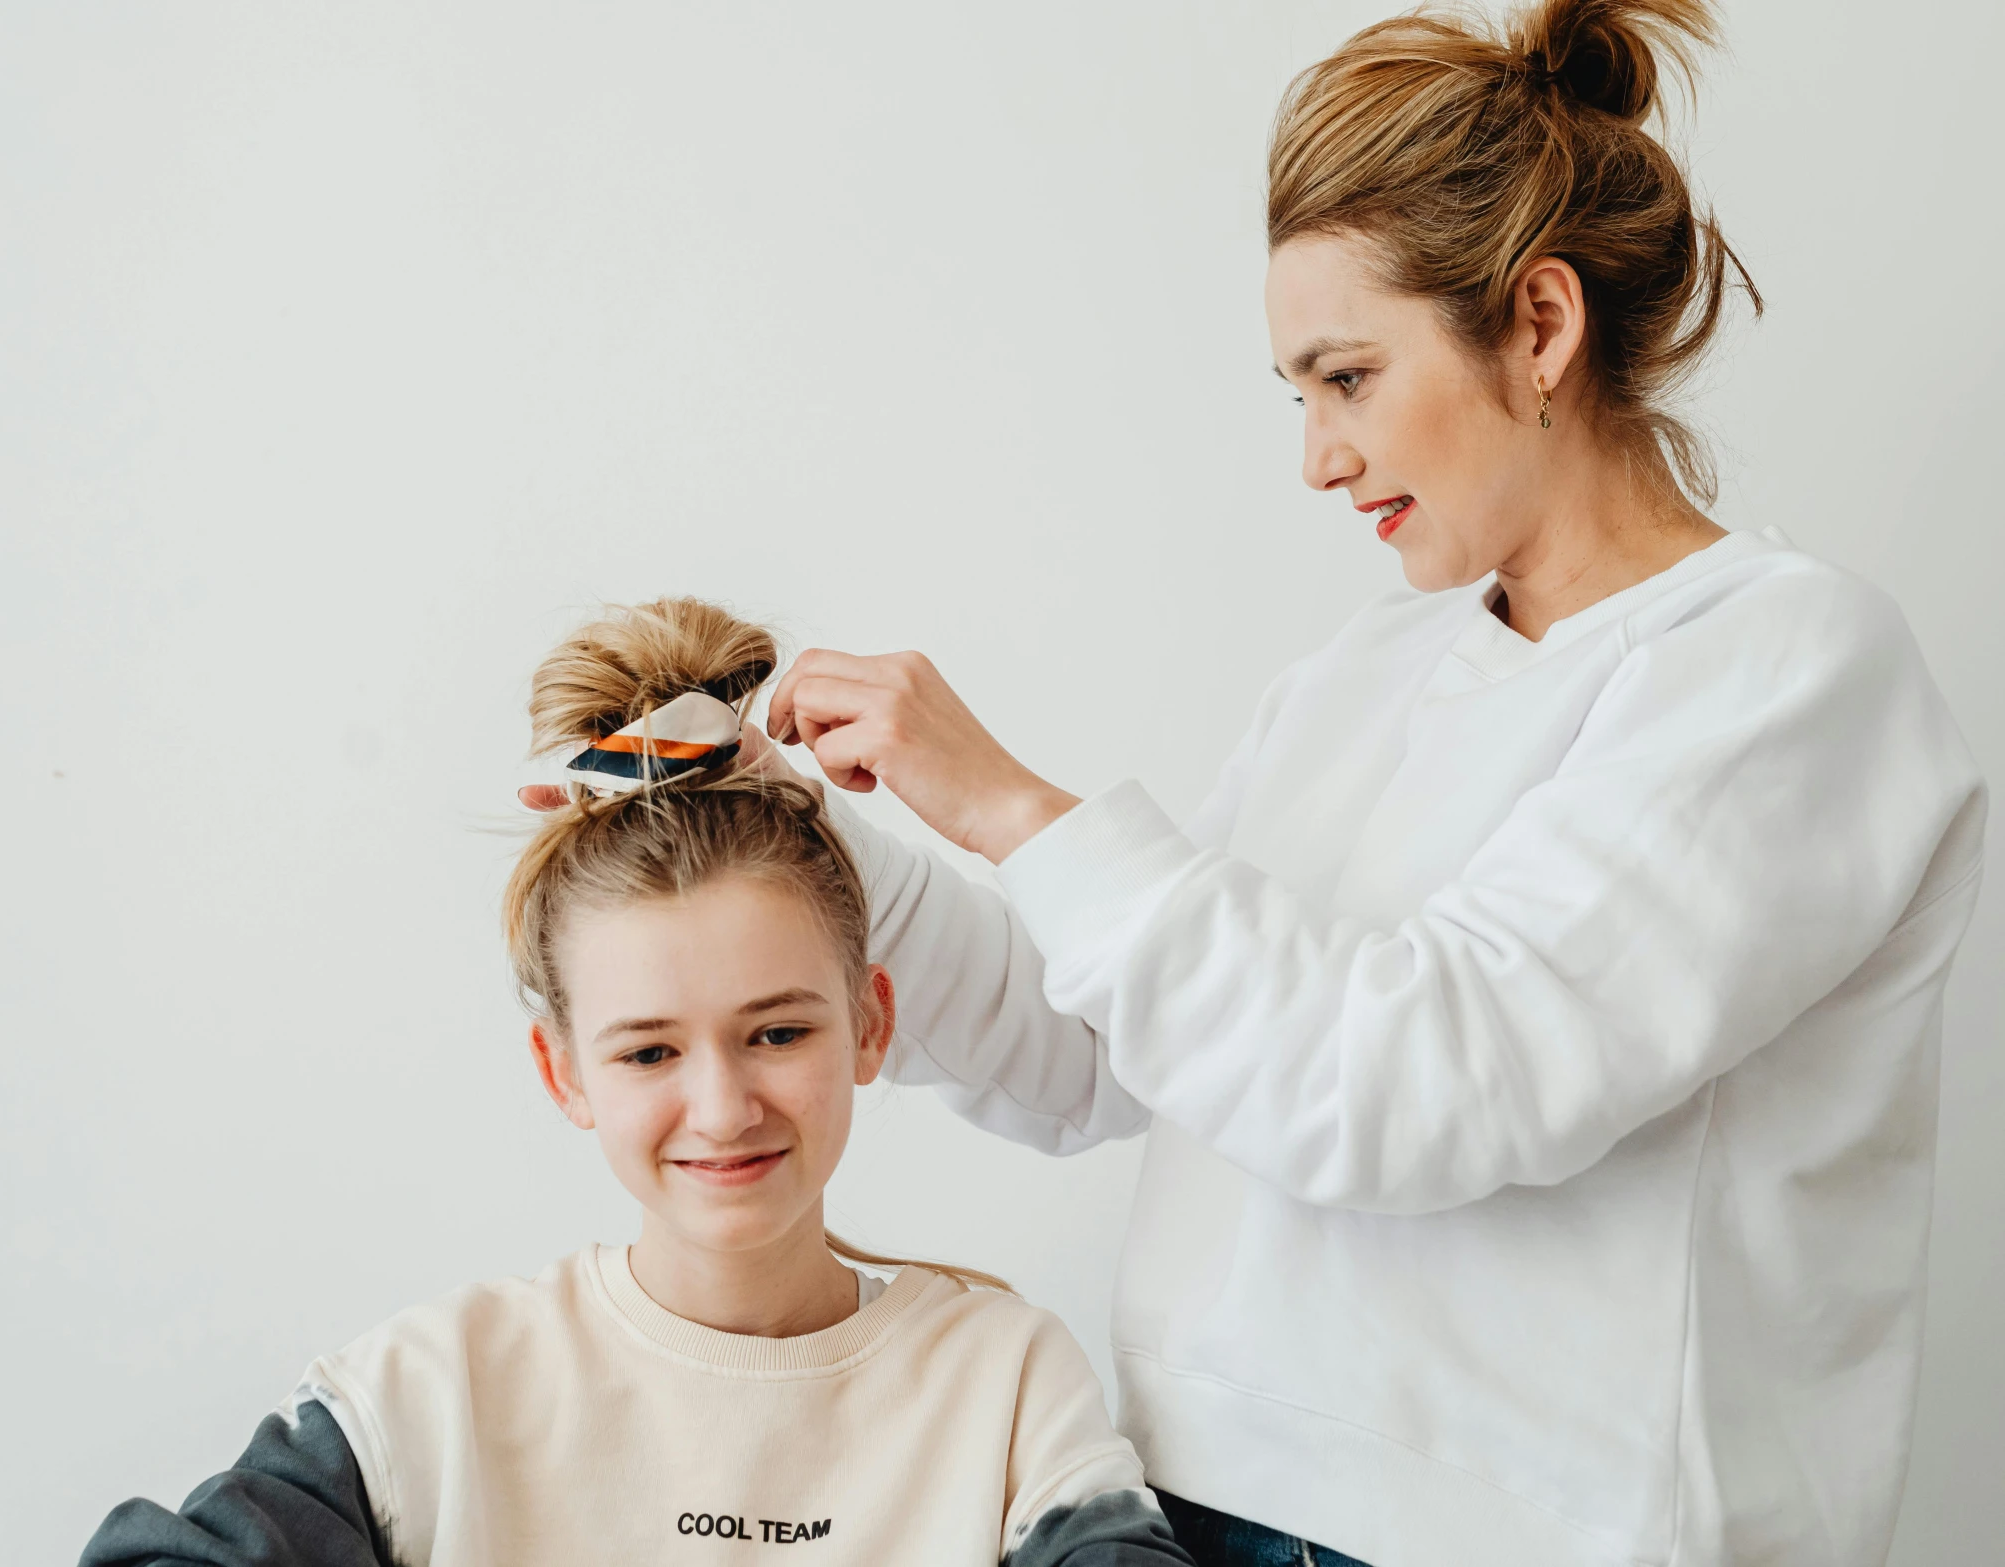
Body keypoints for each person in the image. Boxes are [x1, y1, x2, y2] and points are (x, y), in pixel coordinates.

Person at [749, 3, 1988, 1566]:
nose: (1317, 457)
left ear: (1537, 327)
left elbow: (1423, 1078)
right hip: (1185, 1491)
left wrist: (1012, 803)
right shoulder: (1372, 667)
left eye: (1346, 375)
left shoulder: (1787, 669)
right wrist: (801, 837)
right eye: (1299, 393)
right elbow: (1112, 1043)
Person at [79, 599, 1194, 1567]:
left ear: (870, 1024)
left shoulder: (1001, 1383)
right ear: (563, 1071)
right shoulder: (439, 1388)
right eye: (649, 1051)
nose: (721, 1109)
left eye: (775, 1034)